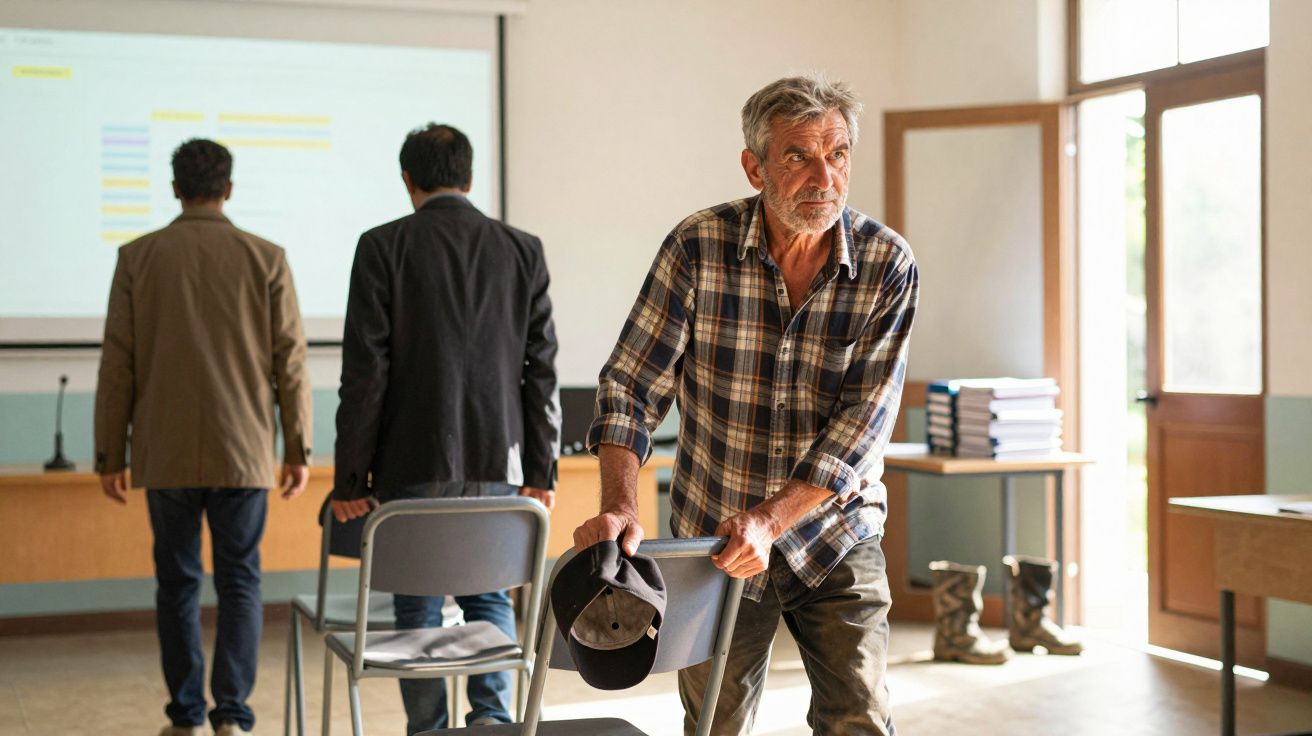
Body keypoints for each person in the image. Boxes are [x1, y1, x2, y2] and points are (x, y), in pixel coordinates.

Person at [574, 75, 919, 736]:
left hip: (834, 533)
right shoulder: (698, 247)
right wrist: (619, 503)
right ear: (754, 165)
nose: (825, 174)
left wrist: (771, 519)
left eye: (838, 152)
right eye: (798, 156)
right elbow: (630, 386)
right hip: (714, 533)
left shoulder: (887, 265)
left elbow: (861, 430)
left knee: (861, 718)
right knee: (712, 724)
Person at [331, 123, 561, 733]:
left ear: (408, 180)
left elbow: (365, 375)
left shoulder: (381, 246)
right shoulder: (523, 249)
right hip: (499, 464)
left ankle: (428, 729)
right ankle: (491, 721)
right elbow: (541, 372)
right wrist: (541, 470)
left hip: (410, 464)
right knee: (491, 594)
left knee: (419, 600)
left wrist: (351, 478)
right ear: (470, 177)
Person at [95, 138, 313, 736]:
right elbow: (289, 361)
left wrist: (110, 453)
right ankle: (234, 718)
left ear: (174, 188)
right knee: (241, 582)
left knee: (177, 584)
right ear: (229, 189)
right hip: (243, 452)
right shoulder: (266, 257)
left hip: (162, 453)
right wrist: (297, 448)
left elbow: (118, 361)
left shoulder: (136, 257)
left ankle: (186, 716)